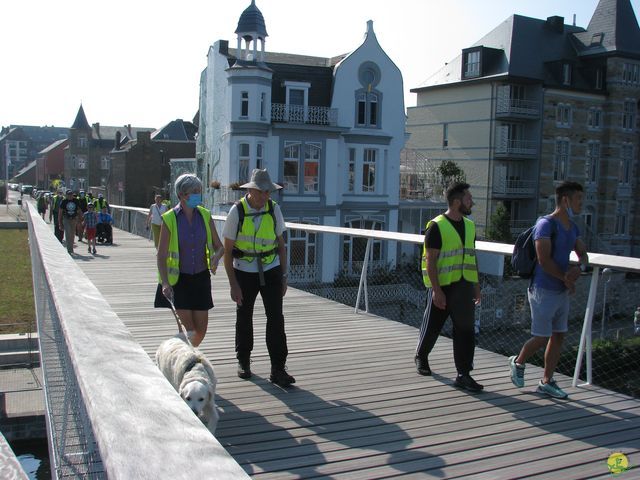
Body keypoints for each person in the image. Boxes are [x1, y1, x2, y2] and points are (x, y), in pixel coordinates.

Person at [509, 181, 589, 399]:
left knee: (559, 336)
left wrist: (578, 269)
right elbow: (543, 260)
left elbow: (583, 254)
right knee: (541, 337)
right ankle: (518, 361)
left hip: (562, 290)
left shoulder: (572, 228)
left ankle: (546, 381)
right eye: (578, 199)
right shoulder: (546, 224)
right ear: (565, 200)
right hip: (542, 289)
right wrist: (566, 277)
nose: (582, 203)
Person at [222, 168, 295, 387]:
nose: (266, 196)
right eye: (263, 192)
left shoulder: (274, 210)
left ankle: (278, 369)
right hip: (244, 270)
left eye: (269, 192)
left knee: (276, 318)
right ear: (252, 191)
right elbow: (227, 251)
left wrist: (283, 276)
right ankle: (244, 360)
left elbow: (282, 246)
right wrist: (233, 284)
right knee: (244, 316)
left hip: (270, 268)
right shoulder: (237, 212)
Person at [414, 182, 483, 392]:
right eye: (469, 199)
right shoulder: (436, 226)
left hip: (464, 286)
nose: (472, 202)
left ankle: (463, 374)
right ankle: (421, 356)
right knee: (433, 324)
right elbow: (430, 261)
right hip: (442, 285)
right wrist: (436, 290)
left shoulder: (470, 226)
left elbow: (472, 256)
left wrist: (476, 286)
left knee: (466, 330)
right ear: (456, 202)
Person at [155, 173, 224, 348]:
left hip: (201, 278)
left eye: (199, 191)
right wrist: (165, 283)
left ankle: (176, 353)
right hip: (178, 280)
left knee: (200, 331)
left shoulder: (205, 216)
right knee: (188, 331)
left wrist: (216, 257)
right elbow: (161, 254)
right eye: (194, 191)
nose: (198, 195)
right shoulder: (170, 218)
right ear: (182, 195)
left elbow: (219, 246)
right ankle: (183, 364)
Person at [58, 189, 82, 254]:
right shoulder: (64, 201)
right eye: (68, 195)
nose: (70, 196)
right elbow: (60, 212)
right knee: (68, 234)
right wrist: (60, 223)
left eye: (71, 194)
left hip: (74, 219)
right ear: (66, 195)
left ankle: (71, 248)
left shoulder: (76, 201)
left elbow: (79, 210)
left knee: (72, 234)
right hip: (66, 219)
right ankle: (69, 250)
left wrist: (80, 220)